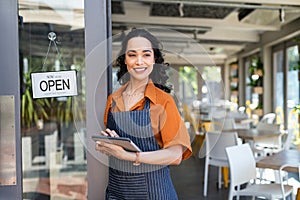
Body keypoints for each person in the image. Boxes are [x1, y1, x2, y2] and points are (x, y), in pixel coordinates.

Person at [95, 28, 192, 200]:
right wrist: (107, 145)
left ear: (154, 59)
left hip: (155, 193)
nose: (139, 61)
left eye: (146, 55)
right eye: (132, 55)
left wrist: (129, 156)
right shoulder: (113, 100)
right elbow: (115, 146)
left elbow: (176, 155)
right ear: (125, 60)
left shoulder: (163, 102)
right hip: (117, 193)